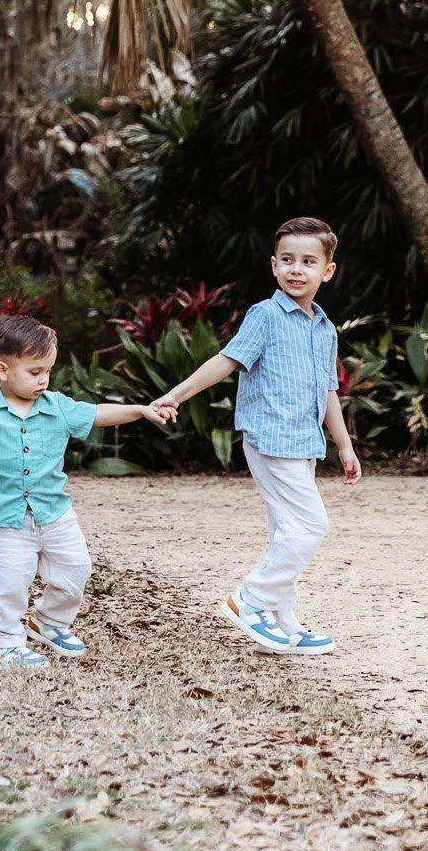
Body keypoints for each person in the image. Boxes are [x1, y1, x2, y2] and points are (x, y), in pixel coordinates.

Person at [150, 217, 362, 655]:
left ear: (328, 270)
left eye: (307, 261)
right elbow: (227, 361)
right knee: (311, 527)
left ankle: (283, 623)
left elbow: (328, 391)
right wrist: (175, 394)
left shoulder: (325, 329)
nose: (296, 269)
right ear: (273, 265)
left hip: (304, 443)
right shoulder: (265, 315)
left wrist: (343, 443)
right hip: (269, 438)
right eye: (287, 260)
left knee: (287, 531)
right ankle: (251, 601)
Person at [0, 315, 171, 669]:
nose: (44, 379)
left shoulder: (58, 408)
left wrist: (141, 411)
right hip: (9, 521)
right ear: (2, 369)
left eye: (48, 371)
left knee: (76, 569)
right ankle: (6, 644)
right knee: (11, 584)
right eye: (35, 371)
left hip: (56, 514)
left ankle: (50, 621)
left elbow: (99, 413)